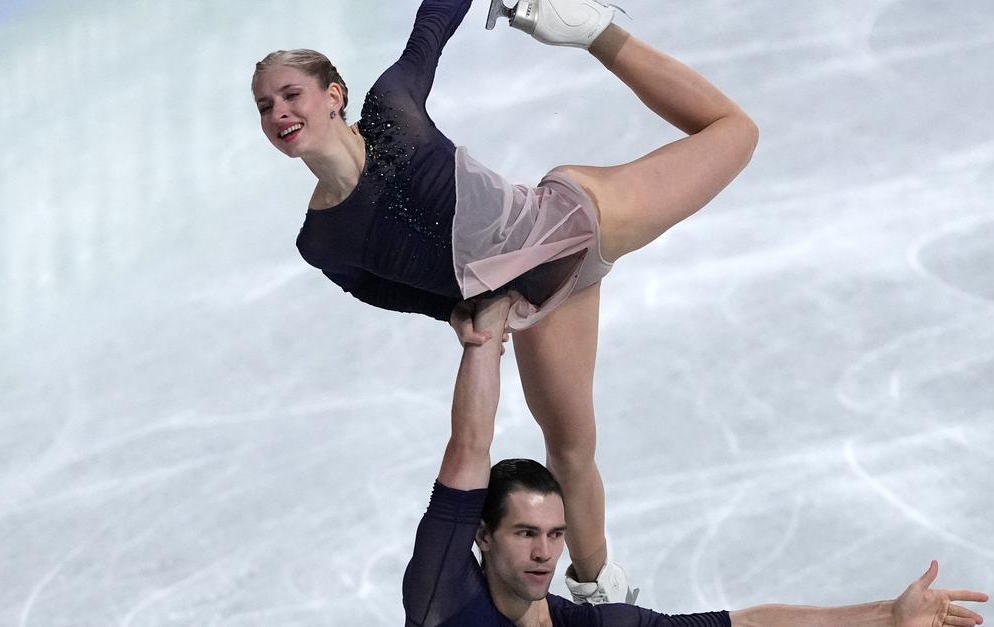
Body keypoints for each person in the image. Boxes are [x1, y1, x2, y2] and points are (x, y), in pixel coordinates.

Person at [252, 0, 758, 601]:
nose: (279, 113)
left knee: (734, 131)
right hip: (536, 302)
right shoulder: (321, 243)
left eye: (290, 95)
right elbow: (393, 292)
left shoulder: (391, 110)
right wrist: (462, 312)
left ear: (334, 95)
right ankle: (599, 590)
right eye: (265, 106)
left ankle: (592, 31)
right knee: (571, 448)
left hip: (576, 222)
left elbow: (431, 26)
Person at [405, 294, 989, 626]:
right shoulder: (444, 594)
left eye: (556, 534)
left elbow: (747, 626)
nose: (544, 551)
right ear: (481, 535)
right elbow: (469, 447)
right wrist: (482, 345)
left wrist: (887, 615)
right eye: (526, 533)